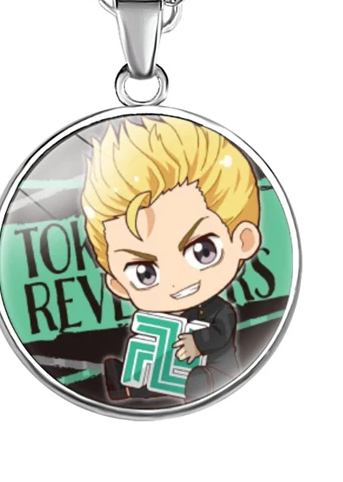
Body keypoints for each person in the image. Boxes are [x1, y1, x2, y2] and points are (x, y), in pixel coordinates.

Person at [81, 116, 262, 402]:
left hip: (216, 373)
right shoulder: (169, 318)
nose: (177, 280)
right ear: (118, 285)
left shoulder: (220, 311)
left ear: (243, 241)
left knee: (196, 379)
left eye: (202, 251)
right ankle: (127, 385)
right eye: (145, 273)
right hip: (172, 373)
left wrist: (198, 342)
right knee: (152, 373)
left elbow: (222, 332)